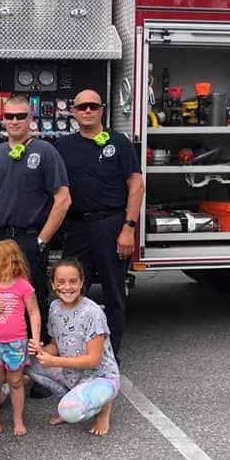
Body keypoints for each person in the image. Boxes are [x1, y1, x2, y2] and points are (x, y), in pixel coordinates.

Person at [54, 89, 144, 357]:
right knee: (69, 290)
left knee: (114, 292)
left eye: (93, 106)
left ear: (102, 109)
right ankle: (73, 352)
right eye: (82, 107)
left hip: (112, 225)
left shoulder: (120, 142)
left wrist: (128, 228)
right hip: (77, 227)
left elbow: (136, 184)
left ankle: (110, 356)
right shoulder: (63, 147)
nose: (88, 111)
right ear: (73, 112)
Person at [0, 94, 71, 349]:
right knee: (2, 299)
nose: (14, 121)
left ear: (31, 119)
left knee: (33, 301)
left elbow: (63, 199)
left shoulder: (46, 152)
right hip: (2, 238)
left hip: (30, 238)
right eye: (9, 116)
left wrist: (41, 240)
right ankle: (7, 358)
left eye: (21, 116)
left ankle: (39, 360)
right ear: (2, 119)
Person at [27, 259, 120, 436]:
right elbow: (56, 345)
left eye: (73, 281)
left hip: (100, 377)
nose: (67, 287)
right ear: (53, 284)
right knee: (24, 359)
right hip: (73, 374)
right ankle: (71, 397)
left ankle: (103, 408)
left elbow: (94, 359)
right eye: (61, 282)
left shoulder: (92, 312)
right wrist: (40, 351)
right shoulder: (54, 307)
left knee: (70, 413)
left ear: (81, 283)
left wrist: (53, 360)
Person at [0, 240, 41, 436]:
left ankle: (17, 418)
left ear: (6, 262)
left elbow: (34, 313)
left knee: (16, 381)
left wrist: (35, 339)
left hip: (16, 342)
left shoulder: (23, 286)